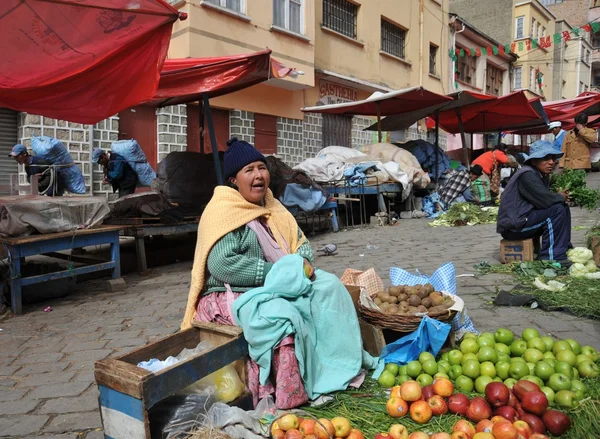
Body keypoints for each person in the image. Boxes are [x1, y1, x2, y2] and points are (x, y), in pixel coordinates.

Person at [181, 138, 375, 410]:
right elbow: (222, 264)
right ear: (234, 181)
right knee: (283, 315)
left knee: (330, 287)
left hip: (279, 283)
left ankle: (339, 368)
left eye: (262, 167)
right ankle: (290, 398)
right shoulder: (223, 210)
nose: (258, 175)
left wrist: (303, 264)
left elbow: (301, 243)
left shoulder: (272, 205)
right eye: (249, 170)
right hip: (232, 292)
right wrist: (279, 274)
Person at [497, 140, 572, 263]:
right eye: (546, 159)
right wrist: (559, 196)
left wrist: (558, 198)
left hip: (523, 220)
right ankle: (551, 258)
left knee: (562, 207)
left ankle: (562, 248)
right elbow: (545, 201)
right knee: (557, 210)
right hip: (514, 227)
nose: (551, 162)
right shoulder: (527, 175)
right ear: (534, 161)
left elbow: (543, 199)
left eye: (553, 158)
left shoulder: (538, 174)